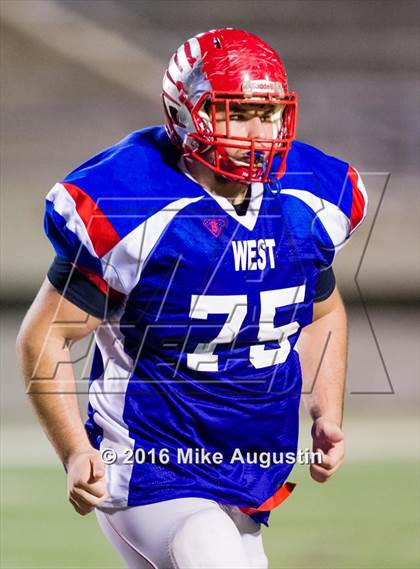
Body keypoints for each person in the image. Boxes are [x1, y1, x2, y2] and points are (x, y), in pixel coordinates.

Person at [17, 28, 367, 569]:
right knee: (209, 547)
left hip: (251, 462)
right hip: (148, 461)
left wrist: (326, 410)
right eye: (238, 113)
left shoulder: (305, 200)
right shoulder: (136, 204)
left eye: (269, 113)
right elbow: (45, 335)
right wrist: (74, 449)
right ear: (187, 115)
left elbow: (323, 312)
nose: (259, 132)